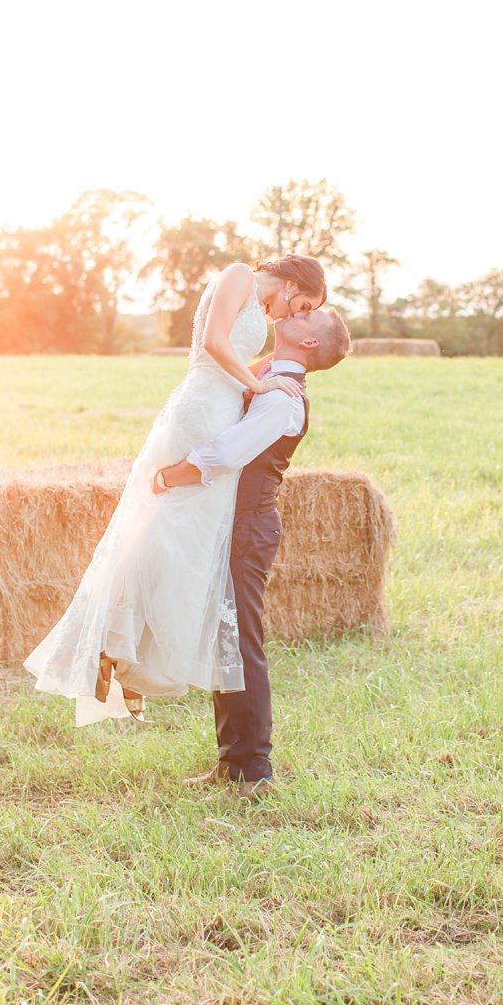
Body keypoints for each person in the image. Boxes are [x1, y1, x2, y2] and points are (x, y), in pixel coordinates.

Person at [24, 255, 328, 726]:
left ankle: (127, 653)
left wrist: (269, 375)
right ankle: (118, 644)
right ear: (293, 282)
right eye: (303, 302)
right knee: (164, 530)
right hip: (205, 405)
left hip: (222, 402)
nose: (292, 314)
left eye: (304, 311)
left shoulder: (263, 314)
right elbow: (212, 342)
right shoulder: (239, 275)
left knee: (179, 539)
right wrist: (258, 385)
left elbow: (246, 356)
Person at [152, 305, 352, 801]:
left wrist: (168, 475)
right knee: (225, 639)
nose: (297, 313)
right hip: (229, 523)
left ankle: (255, 769)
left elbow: (227, 452)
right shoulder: (263, 377)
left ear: (309, 344)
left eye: (309, 315)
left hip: (248, 527)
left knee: (241, 641)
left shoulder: (284, 399)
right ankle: (232, 761)